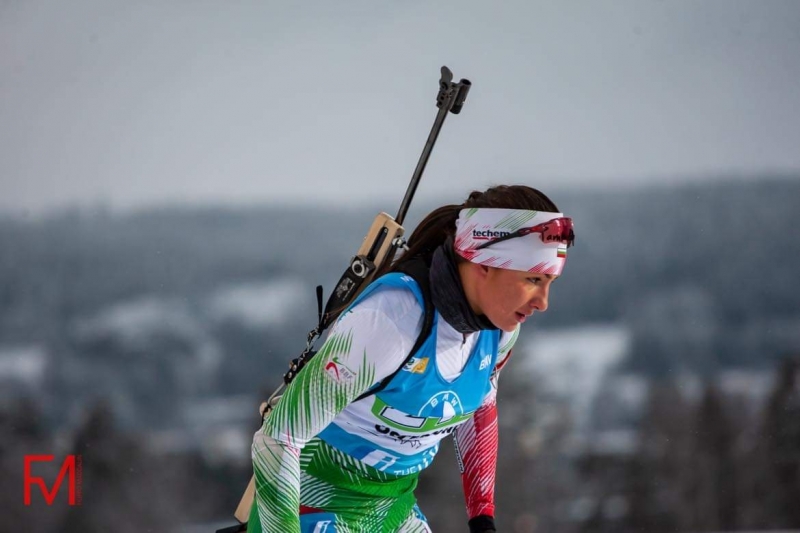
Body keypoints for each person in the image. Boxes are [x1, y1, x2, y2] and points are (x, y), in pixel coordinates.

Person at [248, 184, 575, 533]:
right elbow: (278, 438)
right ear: (483, 264)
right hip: (312, 505)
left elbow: (479, 410)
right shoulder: (393, 320)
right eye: (533, 280)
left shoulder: (499, 329)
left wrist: (482, 518)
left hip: (392, 509)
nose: (543, 302)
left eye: (549, 282)